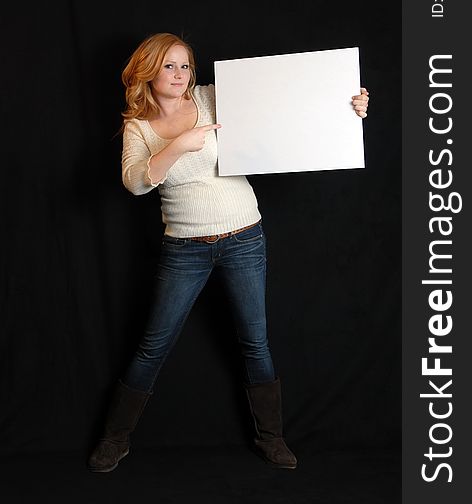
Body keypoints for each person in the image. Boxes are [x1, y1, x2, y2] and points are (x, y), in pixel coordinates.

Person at [87, 32, 369, 473]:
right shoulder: (138, 126)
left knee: (255, 342)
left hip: (244, 238)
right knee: (152, 346)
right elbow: (136, 182)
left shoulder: (215, 97)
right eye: (169, 66)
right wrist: (178, 145)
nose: (180, 75)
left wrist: (346, 106)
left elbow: (286, 108)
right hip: (184, 248)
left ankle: (271, 438)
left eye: (185, 65)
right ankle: (114, 439)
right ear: (147, 70)